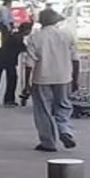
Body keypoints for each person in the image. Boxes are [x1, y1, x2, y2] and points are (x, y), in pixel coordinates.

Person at [24, 8, 79, 152]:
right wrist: (75, 79)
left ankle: (48, 143)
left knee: (43, 111)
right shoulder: (67, 35)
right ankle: (65, 130)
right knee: (63, 106)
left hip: (41, 78)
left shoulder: (35, 37)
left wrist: (26, 83)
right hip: (64, 77)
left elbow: (29, 64)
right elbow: (75, 59)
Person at [0, 20, 32, 107]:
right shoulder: (18, 38)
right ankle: (8, 99)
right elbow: (24, 48)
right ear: (27, 30)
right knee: (11, 79)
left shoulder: (14, 35)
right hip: (7, 59)